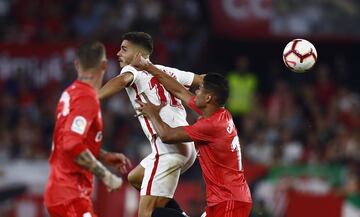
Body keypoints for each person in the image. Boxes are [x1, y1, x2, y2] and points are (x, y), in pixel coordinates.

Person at [98, 32, 204, 217]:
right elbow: (202, 80)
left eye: (124, 49)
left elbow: (122, 80)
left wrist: (92, 98)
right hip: (187, 149)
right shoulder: (168, 71)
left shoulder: (132, 69)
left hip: (168, 149)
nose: (118, 53)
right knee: (135, 177)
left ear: (139, 54)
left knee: (145, 214)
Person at [132, 56, 253, 217]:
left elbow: (167, 135)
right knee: (155, 209)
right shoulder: (219, 113)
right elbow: (179, 90)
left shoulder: (211, 126)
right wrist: (149, 67)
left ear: (208, 97)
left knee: (155, 213)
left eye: (200, 89)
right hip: (225, 199)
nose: (196, 91)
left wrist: (153, 114)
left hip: (229, 201)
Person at [44, 41, 132, 217]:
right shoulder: (87, 99)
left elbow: (72, 140)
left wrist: (104, 155)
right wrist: (105, 175)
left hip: (61, 191)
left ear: (77, 64)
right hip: (71, 194)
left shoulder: (69, 93)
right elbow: (71, 144)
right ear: (105, 65)